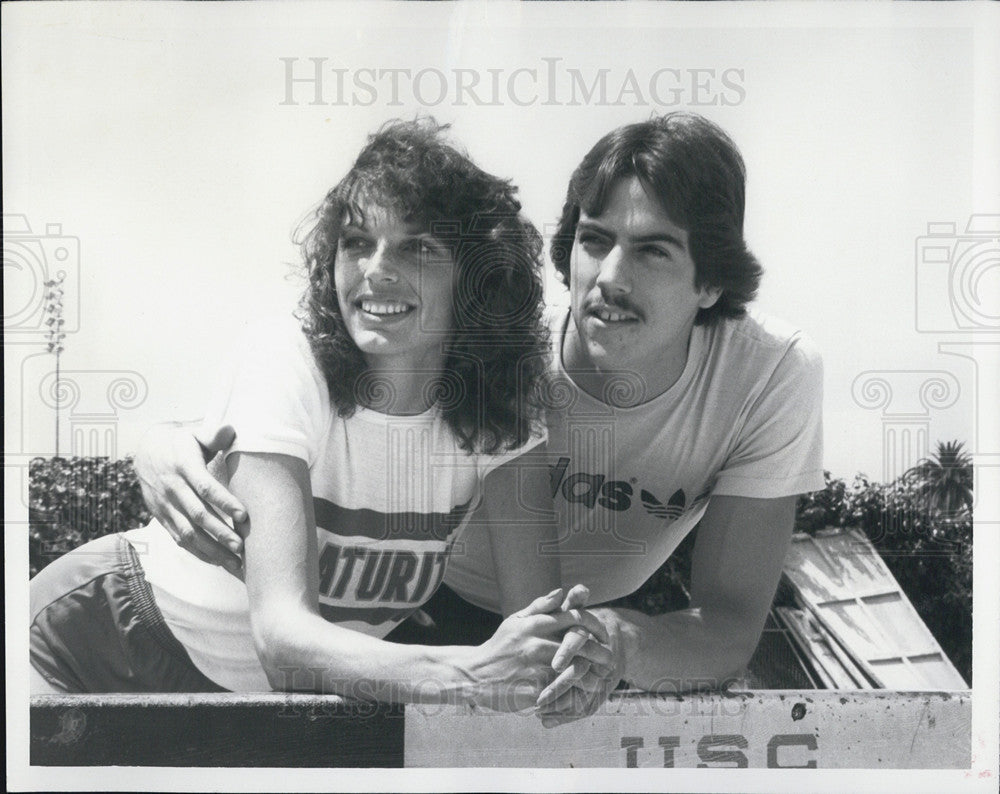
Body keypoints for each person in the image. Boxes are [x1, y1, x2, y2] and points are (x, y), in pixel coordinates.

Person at [130, 113, 824, 725]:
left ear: (711, 283)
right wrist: (160, 440)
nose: (611, 276)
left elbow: (730, 624)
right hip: (415, 618)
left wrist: (618, 642)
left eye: (653, 250)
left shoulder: (770, 375)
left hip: (589, 627)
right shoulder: (498, 345)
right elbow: (311, 375)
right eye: (594, 239)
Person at [29, 119, 611, 707]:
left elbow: (541, 627)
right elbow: (284, 643)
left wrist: (566, 661)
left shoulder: (502, 404)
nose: (376, 269)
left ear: (476, 278)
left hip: (252, 701)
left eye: (419, 247)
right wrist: (470, 673)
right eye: (357, 241)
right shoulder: (286, 359)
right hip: (95, 641)